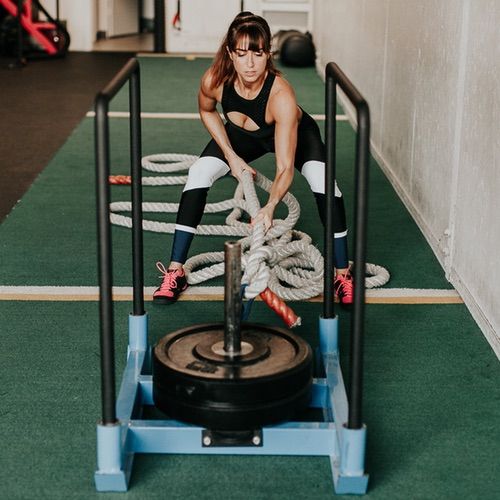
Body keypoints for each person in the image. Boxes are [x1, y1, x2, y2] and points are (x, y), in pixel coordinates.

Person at [153, 11, 353, 306]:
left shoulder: (281, 95)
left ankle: (343, 274)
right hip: (242, 137)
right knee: (198, 173)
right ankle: (175, 271)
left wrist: (270, 207)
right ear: (229, 53)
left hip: (295, 136)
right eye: (242, 53)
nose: (250, 63)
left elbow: (285, 167)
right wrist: (231, 156)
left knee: (323, 182)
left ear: (267, 54)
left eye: (257, 54)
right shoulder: (215, 80)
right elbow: (208, 111)